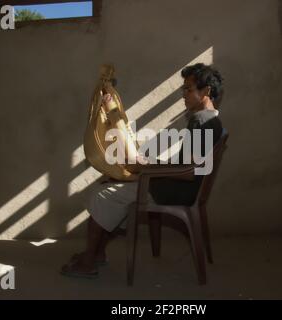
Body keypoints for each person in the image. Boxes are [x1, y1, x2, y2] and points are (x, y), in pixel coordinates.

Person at [61, 63, 224, 278]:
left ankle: (88, 261)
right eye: (183, 89)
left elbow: (189, 172)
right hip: (177, 184)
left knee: (103, 194)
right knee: (112, 183)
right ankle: (98, 252)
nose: (183, 95)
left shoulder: (201, 123)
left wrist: (147, 168)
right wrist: (150, 163)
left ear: (206, 91)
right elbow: (188, 165)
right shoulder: (210, 120)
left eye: (188, 89)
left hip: (176, 190)